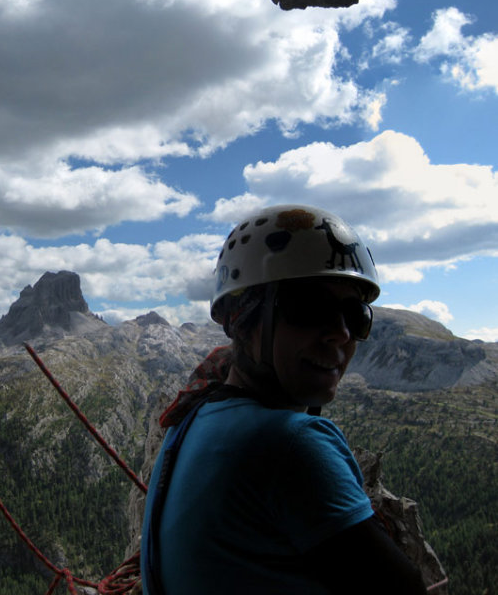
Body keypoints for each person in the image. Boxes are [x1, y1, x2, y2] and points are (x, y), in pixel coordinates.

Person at [141, 204, 427, 595]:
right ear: (243, 318)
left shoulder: (193, 420)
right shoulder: (291, 443)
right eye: (309, 308)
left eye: (355, 315)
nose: (340, 334)